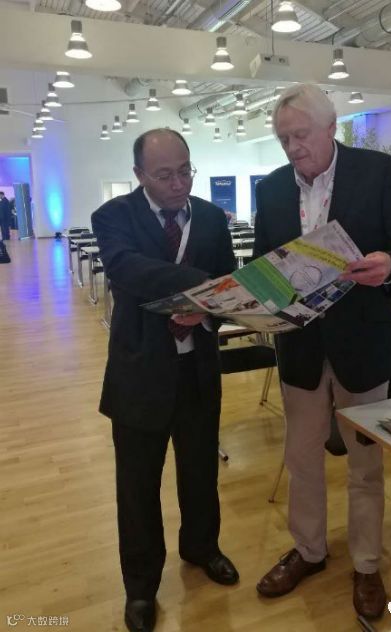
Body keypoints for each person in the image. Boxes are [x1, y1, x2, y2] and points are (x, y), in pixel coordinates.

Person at [253, 84, 391, 619]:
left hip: (362, 343)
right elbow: (263, 262)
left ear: (331, 127)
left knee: (365, 465)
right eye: (283, 138)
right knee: (301, 458)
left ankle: (367, 564)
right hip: (301, 347)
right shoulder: (271, 189)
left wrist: (390, 264)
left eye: (301, 135)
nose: (292, 148)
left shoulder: (378, 172)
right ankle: (309, 550)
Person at [91, 128, 239, 632]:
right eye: (164, 175)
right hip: (139, 372)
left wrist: (212, 307)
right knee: (137, 486)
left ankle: (202, 547)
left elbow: (230, 283)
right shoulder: (113, 217)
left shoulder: (212, 218)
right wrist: (205, 286)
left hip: (197, 367)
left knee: (200, 470)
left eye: (185, 171)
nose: (178, 184)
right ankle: (140, 587)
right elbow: (128, 271)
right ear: (139, 175)